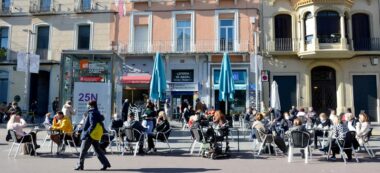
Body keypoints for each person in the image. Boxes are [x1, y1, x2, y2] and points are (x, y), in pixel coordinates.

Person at [75, 100, 111, 171]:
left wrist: (88, 132)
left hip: (89, 135)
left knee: (83, 150)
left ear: (90, 105)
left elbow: (92, 124)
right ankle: (105, 163)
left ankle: (80, 165)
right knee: (98, 150)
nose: (87, 105)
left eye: (87, 104)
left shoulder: (91, 112)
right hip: (95, 134)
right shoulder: (96, 111)